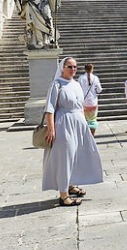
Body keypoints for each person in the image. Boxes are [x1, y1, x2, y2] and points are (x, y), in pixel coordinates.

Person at [42, 57, 103, 206]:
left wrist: (84, 124)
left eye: (75, 67)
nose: (73, 69)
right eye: (69, 66)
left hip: (79, 123)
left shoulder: (76, 84)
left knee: (76, 155)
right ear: (62, 68)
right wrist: (51, 129)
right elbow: (49, 109)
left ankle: (70, 185)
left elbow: (80, 106)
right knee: (65, 157)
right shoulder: (56, 84)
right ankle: (63, 195)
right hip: (63, 124)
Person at [78, 63, 103, 136]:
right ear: (92, 69)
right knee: (93, 120)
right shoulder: (95, 78)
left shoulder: (81, 78)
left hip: (84, 102)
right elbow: (99, 90)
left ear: (85, 69)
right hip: (93, 102)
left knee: (84, 120)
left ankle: (85, 135)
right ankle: (92, 135)